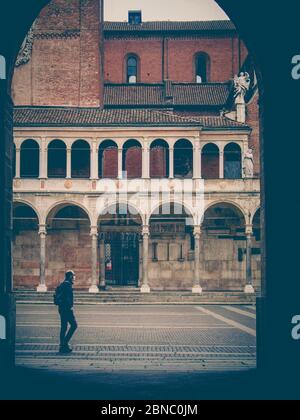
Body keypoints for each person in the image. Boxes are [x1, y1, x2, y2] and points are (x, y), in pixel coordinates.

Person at [55, 270, 78, 354]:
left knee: (64, 327)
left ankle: (62, 347)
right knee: (74, 325)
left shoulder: (62, 284)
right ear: (70, 276)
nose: (74, 277)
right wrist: (70, 307)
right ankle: (64, 343)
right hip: (66, 309)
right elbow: (68, 299)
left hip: (61, 308)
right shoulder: (68, 285)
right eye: (74, 275)